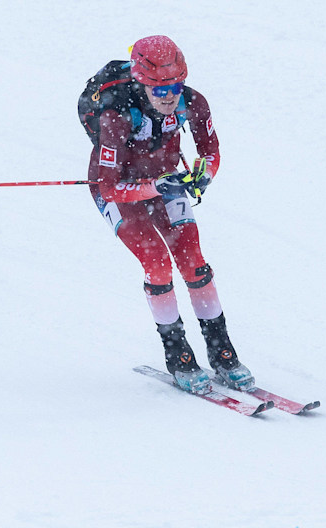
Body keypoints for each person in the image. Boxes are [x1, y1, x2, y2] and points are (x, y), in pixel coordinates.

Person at [77, 35, 253, 394]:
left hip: (165, 184)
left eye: (176, 85)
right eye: (159, 90)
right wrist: (158, 186)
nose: (169, 96)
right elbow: (109, 188)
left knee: (194, 263)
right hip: (121, 192)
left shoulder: (193, 103)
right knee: (157, 263)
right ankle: (178, 357)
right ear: (141, 83)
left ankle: (222, 353)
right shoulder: (116, 117)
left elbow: (210, 151)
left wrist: (204, 172)